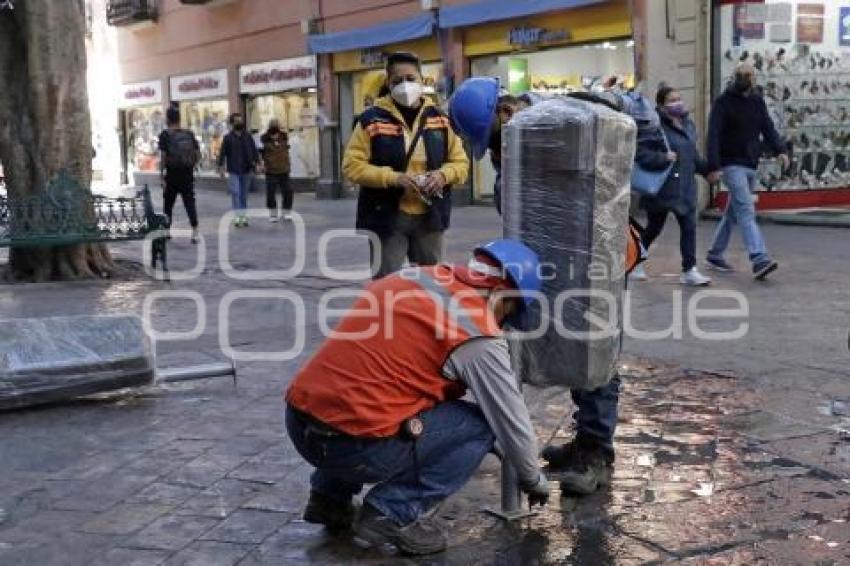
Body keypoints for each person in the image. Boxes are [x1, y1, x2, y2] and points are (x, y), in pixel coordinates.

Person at [285, 239, 550, 555]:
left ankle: (328, 499)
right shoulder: (477, 333)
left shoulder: (415, 277)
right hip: (353, 448)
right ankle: (392, 512)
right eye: (509, 311)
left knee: (373, 397)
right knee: (481, 428)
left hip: (299, 421)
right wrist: (533, 479)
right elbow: (509, 420)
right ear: (501, 295)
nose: (503, 323)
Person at [449, 77, 645, 497]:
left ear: (505, 112)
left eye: (497, 140)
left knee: (595, 346)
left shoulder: (576, 115)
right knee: (569, 344)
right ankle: (584, 439)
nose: (499, 152)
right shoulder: (520, 146)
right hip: (552, 265)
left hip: (598, 260)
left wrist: (610, 99)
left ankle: (596, 453)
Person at [342, 51, 469, 279]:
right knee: (386, 283)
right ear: (388, 84)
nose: (405, 85)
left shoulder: (439, 118)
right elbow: (352, 166)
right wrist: (393, 178)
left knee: (434, 283)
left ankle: (425, 316)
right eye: (397, 81)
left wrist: (443, 176)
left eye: (411, 79)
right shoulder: (371, 120)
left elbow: (460, 162)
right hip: (388, 216)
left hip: (430, 216)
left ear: (422, 80)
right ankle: (388, 315)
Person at [706, 63, 788, 280]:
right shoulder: (723, 103)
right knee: (746, 210)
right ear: (735, 77)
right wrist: (713, 165)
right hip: (731, 164)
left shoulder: (757, 101)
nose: (748, 78)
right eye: (743, 75)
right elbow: (713, 134)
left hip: (751, 163)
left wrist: (780, 150)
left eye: (751, 75)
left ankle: (715, 253)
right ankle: (759, 257)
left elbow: (767, 127)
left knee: (733, 211)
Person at [632, 86, 720, 286]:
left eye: (679, 99)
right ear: (661, 105)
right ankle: (634, 261)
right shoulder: (654, 126)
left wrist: (707, 172)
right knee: (654, 227)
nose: (677, 103)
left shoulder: (687, 124)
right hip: (663, 187)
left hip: (685, 187)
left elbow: (692, 155)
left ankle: (689, 270)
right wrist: (663, 157)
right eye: (672, 100)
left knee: (689, 226)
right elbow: (640, 154)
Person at [158, 107, 201, 243]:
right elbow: (198, 155)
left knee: (168, 204)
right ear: (179, 118)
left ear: (168, 119)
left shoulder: (165, 135)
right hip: (187, 174)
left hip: (171, 175)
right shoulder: (189, 133)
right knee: (189, 203)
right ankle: (195, 233)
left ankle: (166, 232)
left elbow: (163, 157)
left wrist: (161, 175)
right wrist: (191, 166)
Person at [217, 113, 260, 227]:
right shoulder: (228, 138)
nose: (239, 123)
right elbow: (222, 154)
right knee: (236, 193)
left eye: (240, 120)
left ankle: (243, 217)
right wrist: (221, 168)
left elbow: (254, 150)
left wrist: (258, 163)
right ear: (232, 123)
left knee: (243, 195)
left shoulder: (248, 136)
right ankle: (238, 217)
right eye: (236, 121)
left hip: (246, 169)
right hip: (233, 170)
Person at [260, 119, 293, 222]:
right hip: (271, 170)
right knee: (271, 193)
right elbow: (260, 154)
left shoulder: (284, 137)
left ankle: (286, 212)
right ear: (269, 127)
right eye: (273, 125)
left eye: (277, 125)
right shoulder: (264, 139)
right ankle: (273, 214)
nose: (275, 127)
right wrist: (261, 164)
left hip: (284, 169)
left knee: (288, 191)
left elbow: (287, 150)